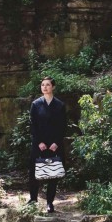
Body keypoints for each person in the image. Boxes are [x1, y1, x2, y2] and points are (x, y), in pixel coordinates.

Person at [29, 76, 66, 213]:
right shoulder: (36, 104)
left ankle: (50, 202)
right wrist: (39, 142)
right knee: (34, 172)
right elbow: (33, 125)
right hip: (39, 144)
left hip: (54, 145)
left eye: (48, 85)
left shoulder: (60, 105)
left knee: (53, 174)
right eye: (43, 85)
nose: (44, 87)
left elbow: (62, 126)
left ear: (53, 87)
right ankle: (33, 199)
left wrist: (56, 142)